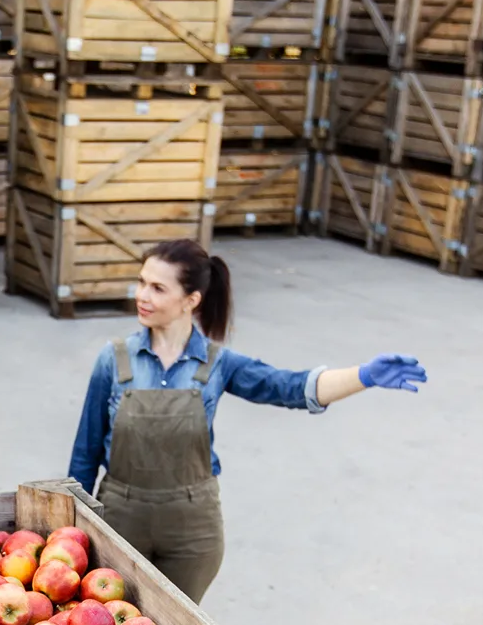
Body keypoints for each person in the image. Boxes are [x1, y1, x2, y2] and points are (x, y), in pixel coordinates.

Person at [67, 238, 426, 604]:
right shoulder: (114, 359)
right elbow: (85, 451)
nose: (142, 295)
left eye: (158, 288)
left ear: (191, 300)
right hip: (120, 517)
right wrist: (71, 529)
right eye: (142, 282)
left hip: (192, 530)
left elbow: (288, 386)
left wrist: (364, 375)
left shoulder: (218, 362)